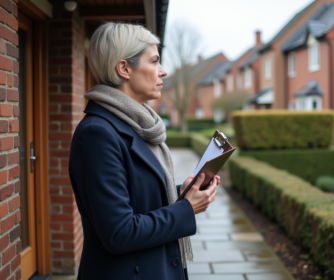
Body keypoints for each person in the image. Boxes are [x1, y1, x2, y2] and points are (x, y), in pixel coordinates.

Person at [68, 22, 220, 280]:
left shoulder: (137, 125)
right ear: (124, 68)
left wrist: (180, 193)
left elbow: (136, 196)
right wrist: (186, 209)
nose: (164, 71)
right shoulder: (97, 134)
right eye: (154, 61)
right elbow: (119, 232)